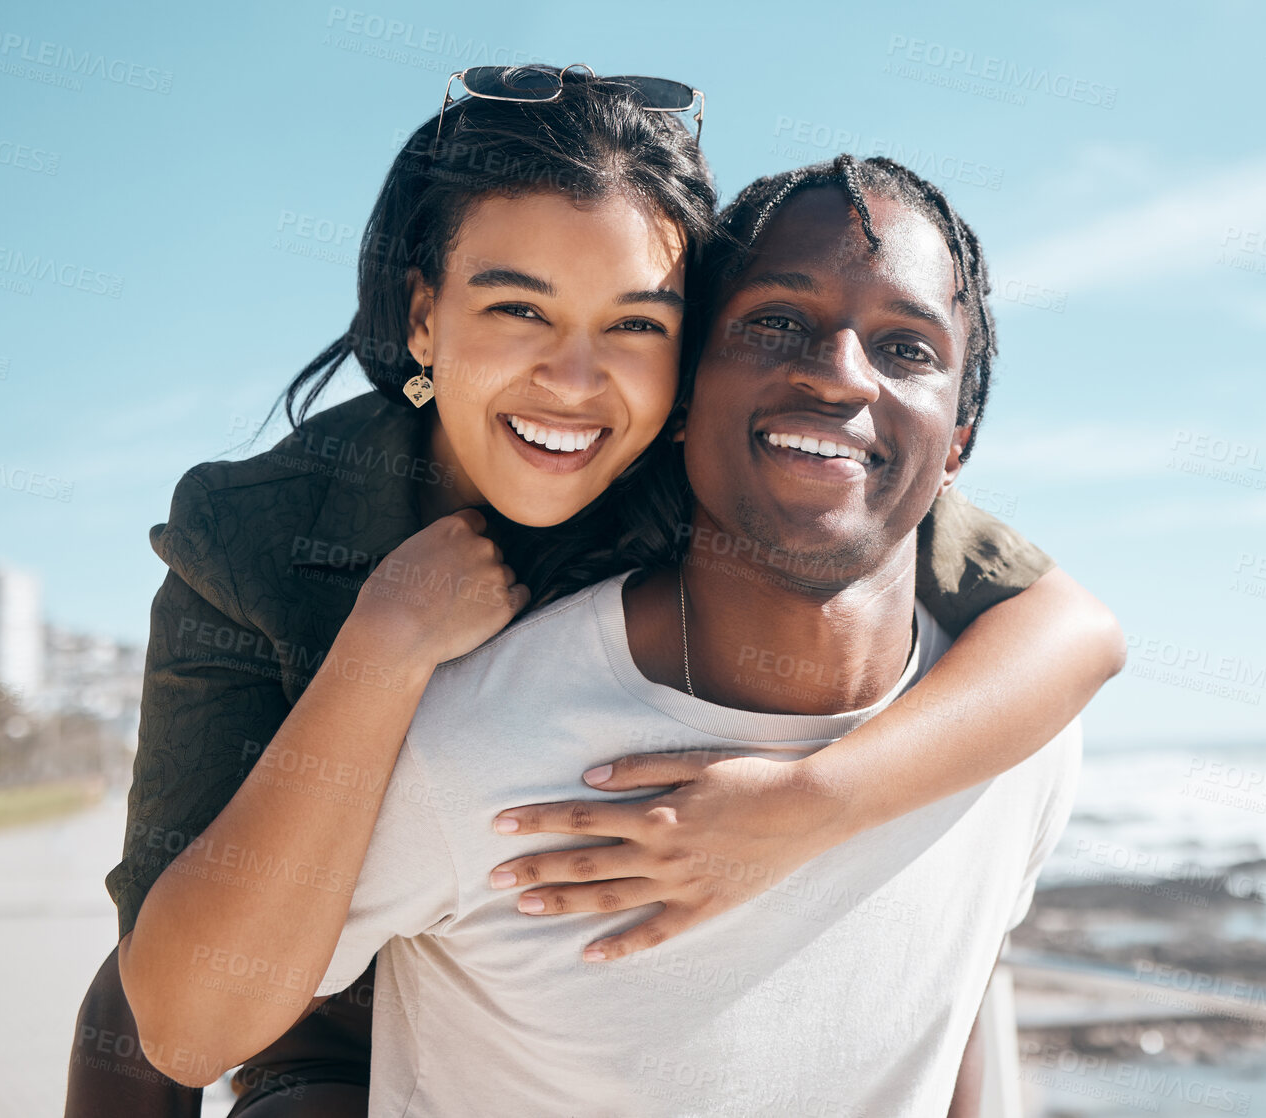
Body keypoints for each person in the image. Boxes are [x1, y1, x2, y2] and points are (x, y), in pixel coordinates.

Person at [71, 66, 1121, 1117]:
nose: (575, 382)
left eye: (634, 324)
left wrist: (805, 807)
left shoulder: (742, 459)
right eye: (519, 307)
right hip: (321, 997)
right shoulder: (258, 532)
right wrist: (382, 644)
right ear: (424, 317)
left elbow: (1072, 632)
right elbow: (172, 1009)